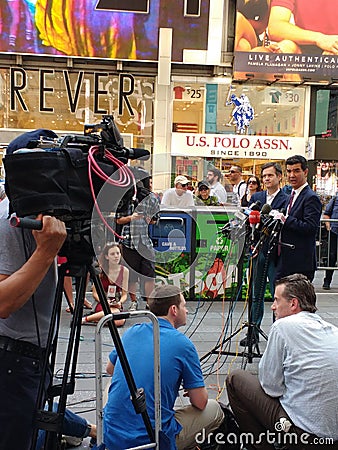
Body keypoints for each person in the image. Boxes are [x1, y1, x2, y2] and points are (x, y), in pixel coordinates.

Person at [103, 284, 224, 450]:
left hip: (112, 436)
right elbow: (200, 402)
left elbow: (110, 369)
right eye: (184, 306)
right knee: (214, 409)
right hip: (151, 439)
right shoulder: (183, 344)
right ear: (173, 310)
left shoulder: (132, 331)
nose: (187, 311)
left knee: (112, 383)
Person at [226, 273, 338, 448]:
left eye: (277, 300)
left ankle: (261, 446)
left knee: (235, 379)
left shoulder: (283, 326)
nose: (273, 307)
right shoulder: (333, 330)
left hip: (304, 435)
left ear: (293, 304)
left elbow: (271, 386)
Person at [0, 211, 67, 450]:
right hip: (13, 362)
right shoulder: (11, 220)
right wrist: (46, 252)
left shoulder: (41, 217)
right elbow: (3, 304)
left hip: (30, 360)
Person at [240, 162, 288, 346]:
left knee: (277, 293)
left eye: (270, 176)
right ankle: (253, 331)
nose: (267, 179)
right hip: (257, 249)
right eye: (264, 176)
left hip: (275, 251)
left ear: (279, 177)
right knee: (255, 292)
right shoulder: (258, 196)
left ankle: (277, 332)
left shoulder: (285, 198)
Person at [116, 171, 160, 311]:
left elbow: (155, 220)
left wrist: (149, 219)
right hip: (129, 240)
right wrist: (132, 218)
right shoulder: (127, 198)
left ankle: (148, 302)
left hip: (144, 241)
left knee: (148, 274)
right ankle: (134, 302)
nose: (151, 185)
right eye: (150, 182)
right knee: (131, 275)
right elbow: (118, 219)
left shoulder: (151, 198)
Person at [275, 155, 322, 282]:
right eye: (289, 171)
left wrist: (285, 220)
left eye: (296, 171)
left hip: (301, 262)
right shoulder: (291, 194)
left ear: (305, 172)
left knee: (298, 300)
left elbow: (310, 227)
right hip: (285, 259)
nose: (292, 175)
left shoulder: (310, 197)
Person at [82, 243, 129, 326]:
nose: (116, 256)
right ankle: (89, 319)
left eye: (118, 253)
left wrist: (120, 302)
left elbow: (125, 294)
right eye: (112, 254)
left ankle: (94, 319)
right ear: (106, 256)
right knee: (116, 315)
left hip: (116, 303)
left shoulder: (124, 271)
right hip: (103, 302)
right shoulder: (100, 271)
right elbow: (95, 293)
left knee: (119, 320)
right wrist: (104, 301)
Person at [268, 0, 338, 55]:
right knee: (284, 49)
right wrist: (321, 39)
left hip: (335, 43)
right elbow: (275, 27)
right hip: (307, 45)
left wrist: (334, 47)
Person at [322, 195, 338, 290]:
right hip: (334, 232)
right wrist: (329, 226)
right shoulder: (335, 198)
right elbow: (327, 213)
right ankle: (327, 281)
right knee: (331, 256)